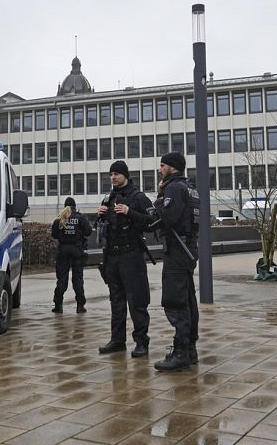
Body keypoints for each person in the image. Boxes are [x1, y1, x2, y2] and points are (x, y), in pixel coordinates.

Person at [96, 160, 154, 357]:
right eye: (111, 174)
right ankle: (117, 340)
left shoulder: (138, 197)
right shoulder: (109, 197)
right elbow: (103, 226)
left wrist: (130, 212)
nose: (113, 177)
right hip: (112, 255)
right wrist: (101, 215)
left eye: (116, 174)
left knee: (137, 301)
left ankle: (141, 342)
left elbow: (152, 223)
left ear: (125, 176)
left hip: (132, 255)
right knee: (116, 300)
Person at [150, 152, 200, 372]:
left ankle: (180, 353)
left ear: (172, 167)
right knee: (188, 300)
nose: (160, 169)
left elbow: (165, 218)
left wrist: (160, 197)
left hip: (178, 250)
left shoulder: (173, 188)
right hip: (188, 247)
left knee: (175, 301)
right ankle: (190, 350)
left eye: (162, 165)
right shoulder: (190, 187)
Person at [51, 197, 92, 313]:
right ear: (74, 206)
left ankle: (58, 305)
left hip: (63, 251)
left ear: (65, 206)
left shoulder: (59, 219)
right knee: (78, 279)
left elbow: (54, 235)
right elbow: (88, 232)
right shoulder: (80, 218)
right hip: (77, 251)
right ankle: (80, 306)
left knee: (61, 279)